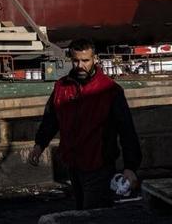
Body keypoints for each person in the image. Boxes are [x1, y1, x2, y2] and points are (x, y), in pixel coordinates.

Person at [28, 38, 142, 210]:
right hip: (73, 165)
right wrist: (39, 145)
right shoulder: (61, 87)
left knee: (94, 214)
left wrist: (130, 167)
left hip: (99, 166)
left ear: (94, 59)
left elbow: (127, 130)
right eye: (76, 60)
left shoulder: (110, 90)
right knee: (81, 210)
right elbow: (51, 119)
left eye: (85, 60)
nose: (80, 65)